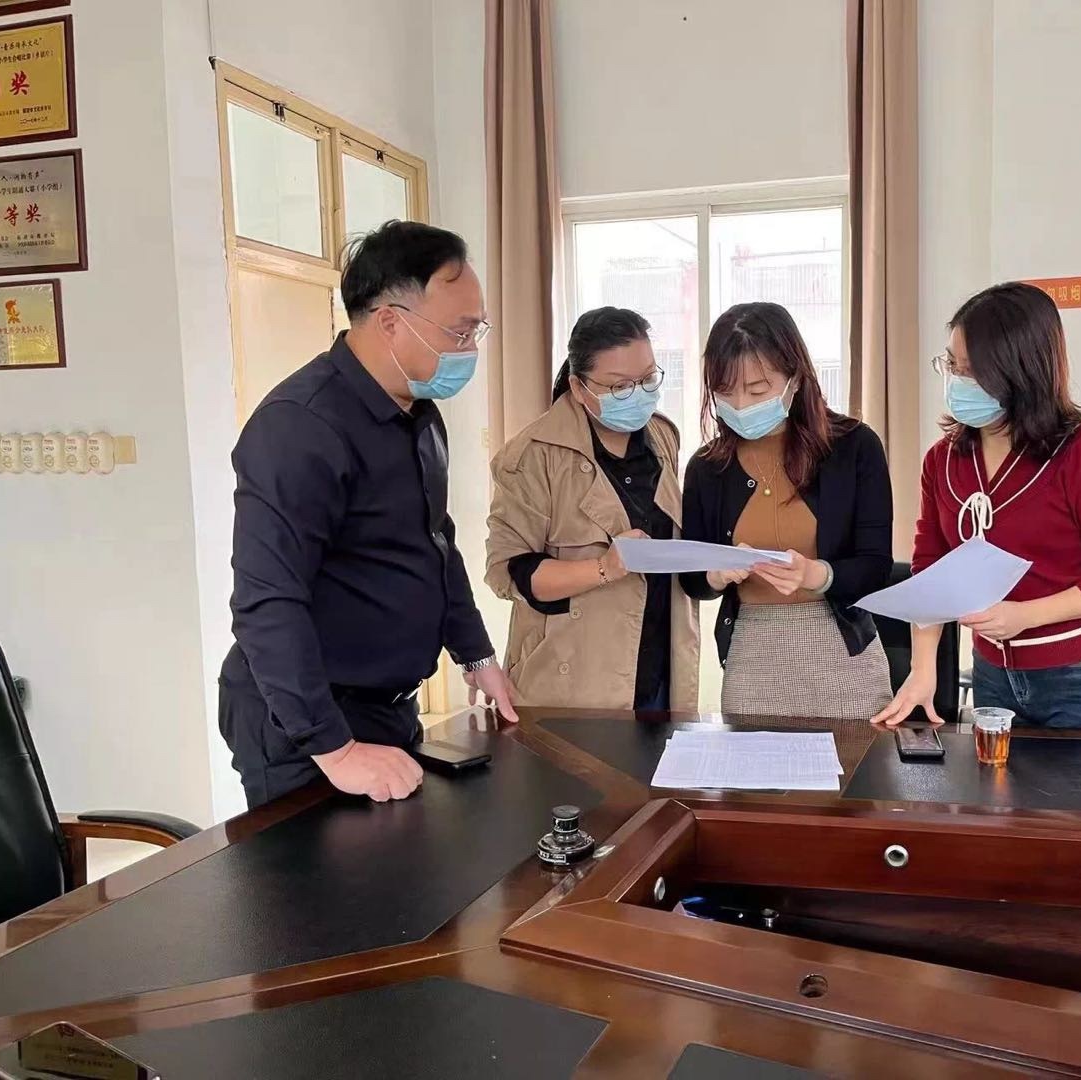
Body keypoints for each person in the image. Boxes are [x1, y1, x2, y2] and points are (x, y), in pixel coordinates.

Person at [220, 220, 517, 809]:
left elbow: (435, 541)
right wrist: (336, 751)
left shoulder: (418, 413)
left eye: (476, 331)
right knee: (328, 871)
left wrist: (475, 653)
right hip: (305, 725)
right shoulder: (300, 427)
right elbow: (267, 600)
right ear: (390, 322)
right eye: (459, 332)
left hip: (387, 706)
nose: (470, 350)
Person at [875, 282, 1081, 730]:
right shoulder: (943, 460)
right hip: (993, 676)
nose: (957, 380)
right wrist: (923, 668)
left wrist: (1026, 616)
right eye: (952, 365)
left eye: (972, 370)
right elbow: (931, 572)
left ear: (1020, 372)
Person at [680, 302, 893, 719]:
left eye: (757, 390)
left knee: (856, 762)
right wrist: (716, 574)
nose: (741, 404)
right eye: (725, 391)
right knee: (751, 763)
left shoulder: (854, 447)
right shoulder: (707, 468)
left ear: (794, 378)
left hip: (845, 662)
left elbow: (876, 565)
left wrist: (817, 575)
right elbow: (692, 580)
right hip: (752, 663)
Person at [485, 307, 698, 710]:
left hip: (658, 668)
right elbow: (509, 572)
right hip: (575, 677)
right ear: (579, 387)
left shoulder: (662, 435)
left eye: (648, 379)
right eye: (620, 386)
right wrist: (604, 568)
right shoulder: (532, 455)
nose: (638, 395)